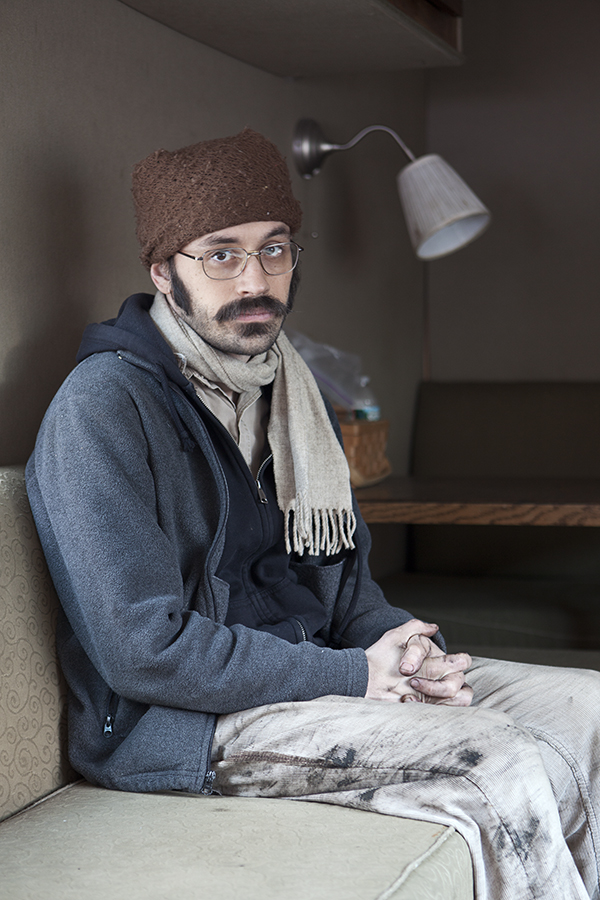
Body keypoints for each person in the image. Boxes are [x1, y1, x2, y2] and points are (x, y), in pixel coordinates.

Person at [26, 128, 599, 900]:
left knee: (589, 707)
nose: (255, 278)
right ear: (164, 272)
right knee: (498, 758)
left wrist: (405, 652)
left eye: (275, 248)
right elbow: (142, 650)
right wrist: (355, 674)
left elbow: (348, 589)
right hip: (182, 723)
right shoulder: (102, 408)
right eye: (220, 254)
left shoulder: (289, 392)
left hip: (321, 674)